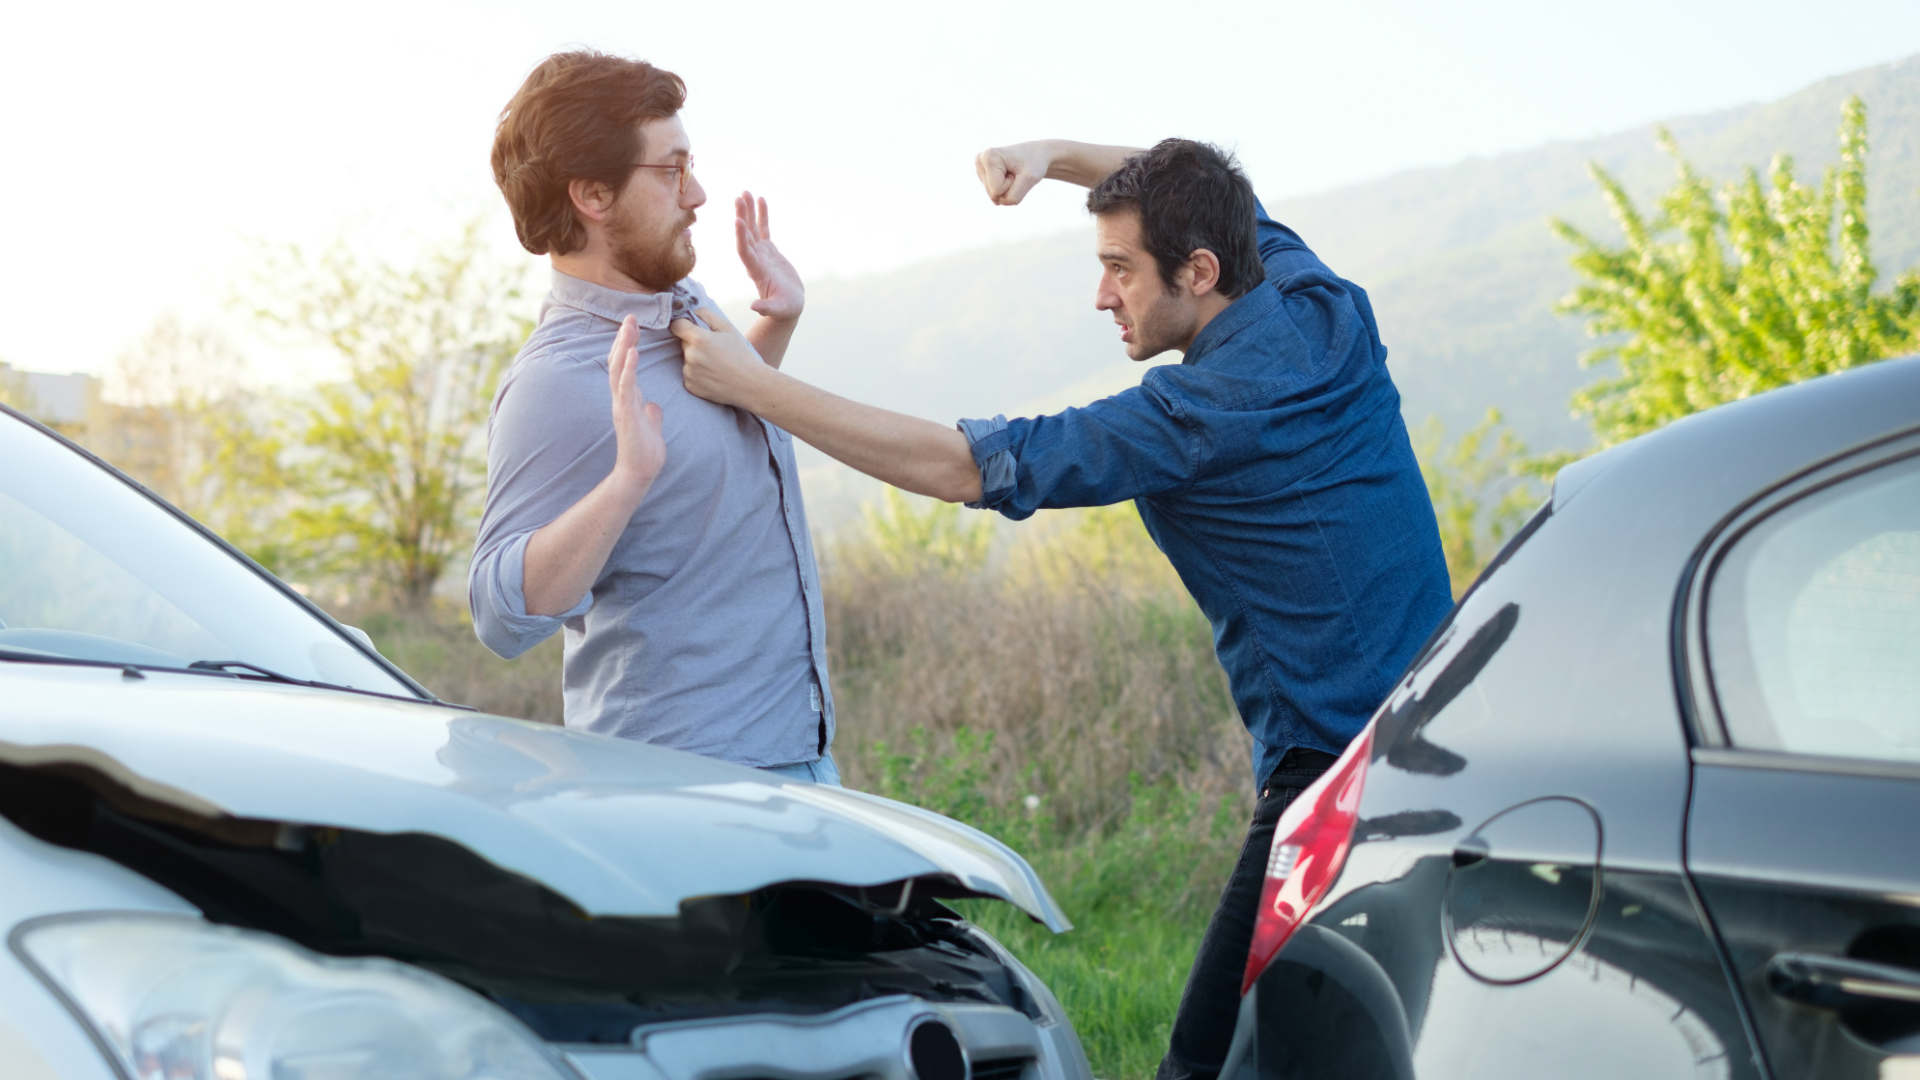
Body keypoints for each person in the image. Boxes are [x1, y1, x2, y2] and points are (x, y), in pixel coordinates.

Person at [668, 137, 1454, 1076]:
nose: (1101, 295)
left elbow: (964, 465)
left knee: (1207, 1060)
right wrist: (1052, 158)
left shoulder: (1193, 418)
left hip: (1334, 776)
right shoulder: (1311, 299)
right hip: (1437, 734)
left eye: (1120, 269)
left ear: (1199, 272)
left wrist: (758, 389)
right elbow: (1201, 183)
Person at [468, 51, 838, 785]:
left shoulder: (685, 303)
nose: (696, 193)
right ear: (593, 196)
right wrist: (624, 482)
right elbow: (499, 615)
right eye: (671, 170)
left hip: (792, 753)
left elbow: (707, 429)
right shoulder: (557, 383)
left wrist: (777, 325)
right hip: (680, 788)